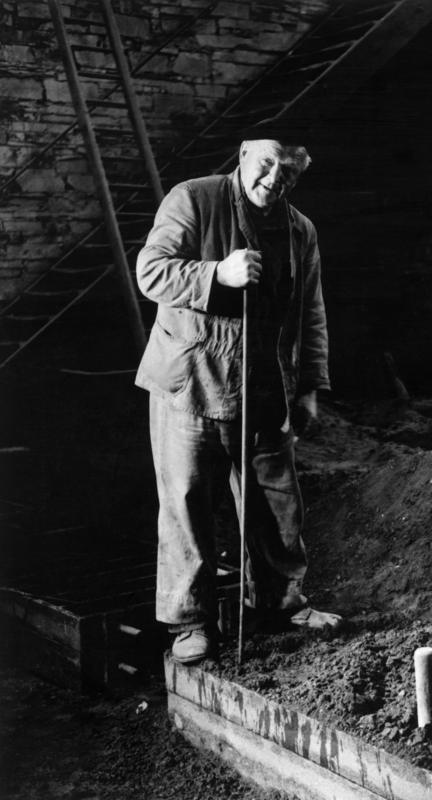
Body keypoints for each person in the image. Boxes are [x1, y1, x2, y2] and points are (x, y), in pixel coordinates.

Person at [135, 129, 342, 665]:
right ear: (245, 156)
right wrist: (216, 273)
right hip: (191, 384)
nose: (275, 180)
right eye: (268, 164)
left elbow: (311, 312)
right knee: (187, 506)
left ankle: (282, 604)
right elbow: (151, 271)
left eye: (290, 172)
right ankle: (190, 624)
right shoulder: (194, 198)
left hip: (266, 386)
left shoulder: (300, 230)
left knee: (277, 503)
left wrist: (311, 386)